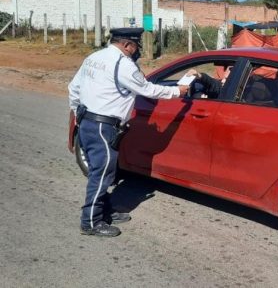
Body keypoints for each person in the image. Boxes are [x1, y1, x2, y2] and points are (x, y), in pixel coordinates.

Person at [68, 27, 189, 237]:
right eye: (135, 47)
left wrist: (78, 115)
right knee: (102, 173)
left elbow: (74, 88)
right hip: (103, 126)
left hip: (88, 121)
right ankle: (90, 221)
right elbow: (148, 89)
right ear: (126, 45)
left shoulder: (94, 57)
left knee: (105, 170)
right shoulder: (123, 64)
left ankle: (104, 211)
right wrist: (177, 91)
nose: (136, 51)